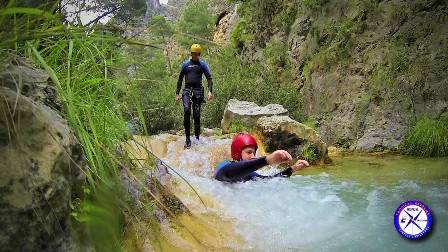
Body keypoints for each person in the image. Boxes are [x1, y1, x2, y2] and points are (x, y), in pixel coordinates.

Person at [214, 133, 310, 182]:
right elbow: (225, 174)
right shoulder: (225, 165)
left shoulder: (250, 174)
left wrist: (292, 169)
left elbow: (270, 180)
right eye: (249, 152)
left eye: (254, 153)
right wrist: (267, 160)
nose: (252, 156)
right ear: (237, 153)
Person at [176, 44, 214, 148]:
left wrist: (210, 91)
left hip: (198, 91)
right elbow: (180, 79)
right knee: (187, 110)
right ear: (191, 53)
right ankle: (187, 139)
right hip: (187, 90)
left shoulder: (202, 65)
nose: (195, 55)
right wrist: (177, 93)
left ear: (199, 54)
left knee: (197, 114)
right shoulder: (185, 64)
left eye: (196, 53)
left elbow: (209, 78)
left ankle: (197, 138)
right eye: (193, 53)